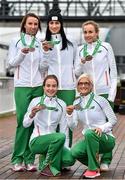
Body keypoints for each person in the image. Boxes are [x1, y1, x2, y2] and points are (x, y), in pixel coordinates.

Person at [75, 20, 117, 171]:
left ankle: (106, 159)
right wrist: (81, 62)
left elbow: (113, 73)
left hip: (105, 92)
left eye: (90, 31)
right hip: (89, 93)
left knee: (107, 126)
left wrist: (111, 96)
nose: (87, 35)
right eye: (85, 32)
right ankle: (95, 157)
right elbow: (76, 73)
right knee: (92, 124)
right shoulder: (80, 50)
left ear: (97, 33)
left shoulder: (106, 47)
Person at [8, 13, 45, 171]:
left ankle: (30, 160)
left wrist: (48, 53)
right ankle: (17, 159)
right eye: (30, 23)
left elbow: (43, 68)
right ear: (24, 25)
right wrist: (22, 52)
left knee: (34, 122)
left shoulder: (39, 43)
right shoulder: (15, 41)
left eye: (36, 24)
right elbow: (11, 63)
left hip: (37, 86)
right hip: (22, 86)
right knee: (22, 123)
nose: (33, 26)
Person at [66, 74, 117, 179]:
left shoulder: (100, 100)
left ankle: (93, 170)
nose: (83, 85)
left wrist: (101, 128)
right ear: (77, 86)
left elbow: (113, 120)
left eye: (86, 83)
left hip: (106, 139)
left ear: (91, 86)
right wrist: (69, 115)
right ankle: (96, 165)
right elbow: (72, 126)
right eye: (80, 83)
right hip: (90, 139)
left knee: (90, 132)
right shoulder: (76, 103)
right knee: (75, 152)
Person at [23, 75, 75, 177]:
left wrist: (65, 148)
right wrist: (31, 114)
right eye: (48, 86)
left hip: (54, 142)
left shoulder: (61, 104)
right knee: (60, 136)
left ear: (57, 88)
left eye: (54, 86)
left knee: (69, 159)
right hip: (37, 141)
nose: (51, 88)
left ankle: (45, 159)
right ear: (43, 87)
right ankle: (46, 167)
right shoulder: (35, 102)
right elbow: (25, 124)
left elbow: (64, 129)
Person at [41, 2, 78, 148]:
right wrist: (45, 52)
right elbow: (42, 67)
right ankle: (52, 155)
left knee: (67, 121)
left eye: (57, 23)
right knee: (51, 121)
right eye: (51, 23)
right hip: (51, 88)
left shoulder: (71, 44)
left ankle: (66, 154)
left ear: (61, 25)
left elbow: (76, 67)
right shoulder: (44, 44)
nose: (54, 26)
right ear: (48, 25)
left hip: (68, 88)